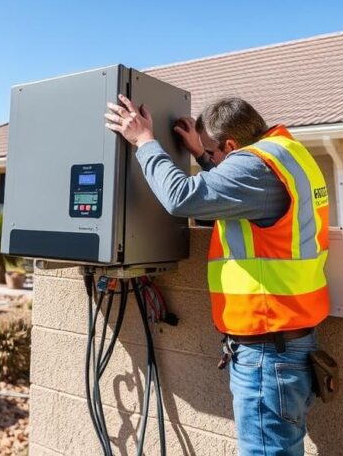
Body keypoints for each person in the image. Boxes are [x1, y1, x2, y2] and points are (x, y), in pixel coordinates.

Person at [104, 95, 329, 456]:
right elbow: (234, 189)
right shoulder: (286, 154)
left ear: (231, 145)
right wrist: (201, 153)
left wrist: (144, 142)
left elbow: (182, 197)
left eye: (214, 150)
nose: (214, 161)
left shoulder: (256, 167)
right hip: (287, 343)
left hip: (266, 350)